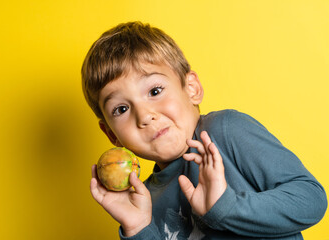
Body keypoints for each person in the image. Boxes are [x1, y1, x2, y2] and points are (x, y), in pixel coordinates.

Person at [82, 21, 327, 239]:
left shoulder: (225, 131)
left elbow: (310, 198)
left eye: (155, 91)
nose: (144, 116)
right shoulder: (143, 201)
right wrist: (138, 228)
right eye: (121, 109)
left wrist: (224, 207)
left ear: (192, 89)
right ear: (112, 135)